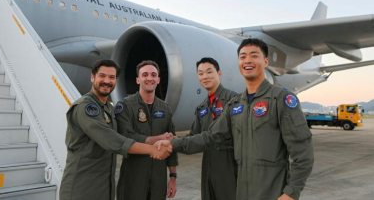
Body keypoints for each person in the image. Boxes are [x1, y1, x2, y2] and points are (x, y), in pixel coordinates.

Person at [159, 39, 314, 200]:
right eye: (243, 56)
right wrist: (173, 144)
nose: (247, 60)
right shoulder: (235, 105)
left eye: (254, 55)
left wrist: (291, 193)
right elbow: (211, 137)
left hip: (272, 193)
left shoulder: (281, 99)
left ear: (266, 62)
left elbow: (303, 153)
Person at [59, 59, 172, 200]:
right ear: (92, 77)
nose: (107, 81)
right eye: (102, 76)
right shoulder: (86, 108)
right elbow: (112, 140)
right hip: (82, 187)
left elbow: (126, 134)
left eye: (111, 77)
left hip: (104, 186)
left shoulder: (109, 109)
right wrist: (153, 149)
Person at [115, 60, 178, 200]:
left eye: (153, 75)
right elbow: (126, 137)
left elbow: (171, 144)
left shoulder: (165, 108)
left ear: (158, 79)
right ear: (138, 79)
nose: (149, 78)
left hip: (158, 178)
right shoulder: (125, 106)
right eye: (145, 74)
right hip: (134, 176)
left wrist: (173, 177)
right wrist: (159, 138)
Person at [188, 57, 237, 200]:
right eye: (201, 73)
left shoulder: (233, 101)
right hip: (208, 166)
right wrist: (171, 141)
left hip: (229, 166)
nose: (205, 77)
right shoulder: (202, 108)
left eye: (209, 72)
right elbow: (193, 138)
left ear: (219, 73)